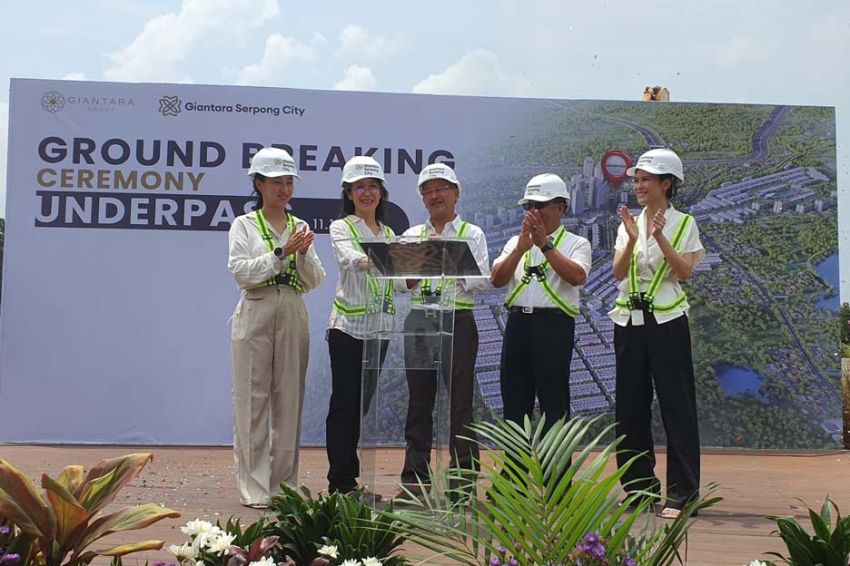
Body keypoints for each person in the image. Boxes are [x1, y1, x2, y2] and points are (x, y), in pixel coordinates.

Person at [609, 148, 704, 519]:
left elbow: (683, 273)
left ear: (667, 184)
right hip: (628, 321)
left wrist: (661, 238)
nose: (638, 185)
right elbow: (618, 273)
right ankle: (639, 489)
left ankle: (682, 494)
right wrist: (633, 238)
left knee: (675, 406)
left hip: (667, 322)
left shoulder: (684, 223)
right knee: (630, 408)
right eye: (636, 180)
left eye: (646, 179)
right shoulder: (627, 222)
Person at [228, 147, 325, 508]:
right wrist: (280, 253)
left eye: (288, 182)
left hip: (292, 307)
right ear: (259, 184)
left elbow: (315, 279)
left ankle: (284, 487)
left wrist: (301, 254)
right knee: (252, 400)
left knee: (289, 398)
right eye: (276, 182)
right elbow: (241, 271)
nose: (284, 189)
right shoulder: (245, 225)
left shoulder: (299, 226)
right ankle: (254, 488)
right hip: (256, 307)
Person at [396, 163, 490, 497]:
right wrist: (422, 262)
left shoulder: (472, 234)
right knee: (419, 402)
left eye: (441, 189)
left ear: (456, 193)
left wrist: (447, 258)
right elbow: (401, 285)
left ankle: (462, 485)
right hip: (420, 320)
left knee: (461, 404)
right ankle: (414, 482)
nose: (434, 196)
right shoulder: (411, 236)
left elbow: (481, 282)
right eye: (428, 191)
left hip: (458, 320)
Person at [491, 174, 591, 434]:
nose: (533, 212)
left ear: (561, 207)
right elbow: (497, 279)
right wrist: (520, 250)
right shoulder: (515, 242)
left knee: (554, 401)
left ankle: (555, 473)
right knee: (514, 399)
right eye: (528, 207)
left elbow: (577, 276)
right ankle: (515, 471)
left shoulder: (576, 243)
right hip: (517, 324)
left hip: (554, 326)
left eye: (539, 205)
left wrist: (544, 245)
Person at [325, 156, 395, 499]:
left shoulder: (391, 233)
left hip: (380, 330)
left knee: (361, 406)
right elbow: (352, 260)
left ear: (382, 192)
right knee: (344, 405)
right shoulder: (341, 227)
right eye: (360, 187)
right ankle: (340, 482)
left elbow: (399, 282)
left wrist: (417, 269)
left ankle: (351, 482)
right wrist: (391, 259)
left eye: (373, 186)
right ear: (349, 193)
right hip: (348, 329)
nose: (367, 193)